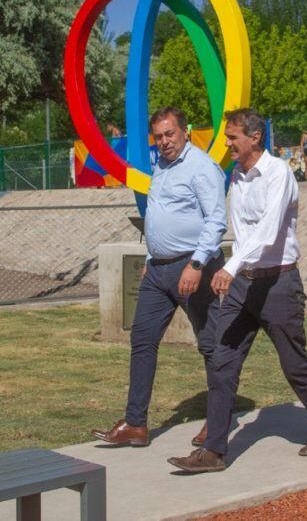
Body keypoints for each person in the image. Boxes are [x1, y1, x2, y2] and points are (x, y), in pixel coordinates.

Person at [168, 108, 307, 473]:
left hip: (279, 283)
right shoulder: (238, 175)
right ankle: (214, 452)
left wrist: (230, 267)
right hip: (243, 283)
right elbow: (243, 232)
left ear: (255, 138)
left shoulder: (278, 172)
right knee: (222, 361)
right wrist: (233, 270)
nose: (228, 144)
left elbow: (267, 231)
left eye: (233, 137)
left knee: (294, 362)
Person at [91, 107, 227, 448]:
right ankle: (135, 424)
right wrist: (152, 258)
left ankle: (218, 421)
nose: (164, 141)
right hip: (159, 270)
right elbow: (158, 217)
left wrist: (196, 265)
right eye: (159, 136)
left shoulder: (202, 167)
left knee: (210, 344)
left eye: (170, 134)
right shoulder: (161, 167)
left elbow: (216, 221)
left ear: (185, 131)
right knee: (142, 339)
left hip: (193, 267)